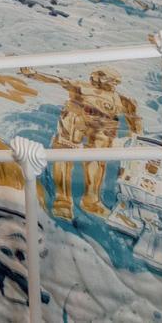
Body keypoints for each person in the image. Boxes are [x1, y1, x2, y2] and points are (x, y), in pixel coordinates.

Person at [26, 67, 143, 222]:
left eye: (105, 78)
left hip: (104, 127)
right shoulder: (81, 87)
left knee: (97, 160)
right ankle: (63, 201)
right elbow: (58, 80)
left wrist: (137, 136)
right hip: (76, 120)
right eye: (98, 76)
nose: (99, 80)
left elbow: (134, 117)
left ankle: (92, 201)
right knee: (64, 154)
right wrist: (33, 74)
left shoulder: (121, 100)